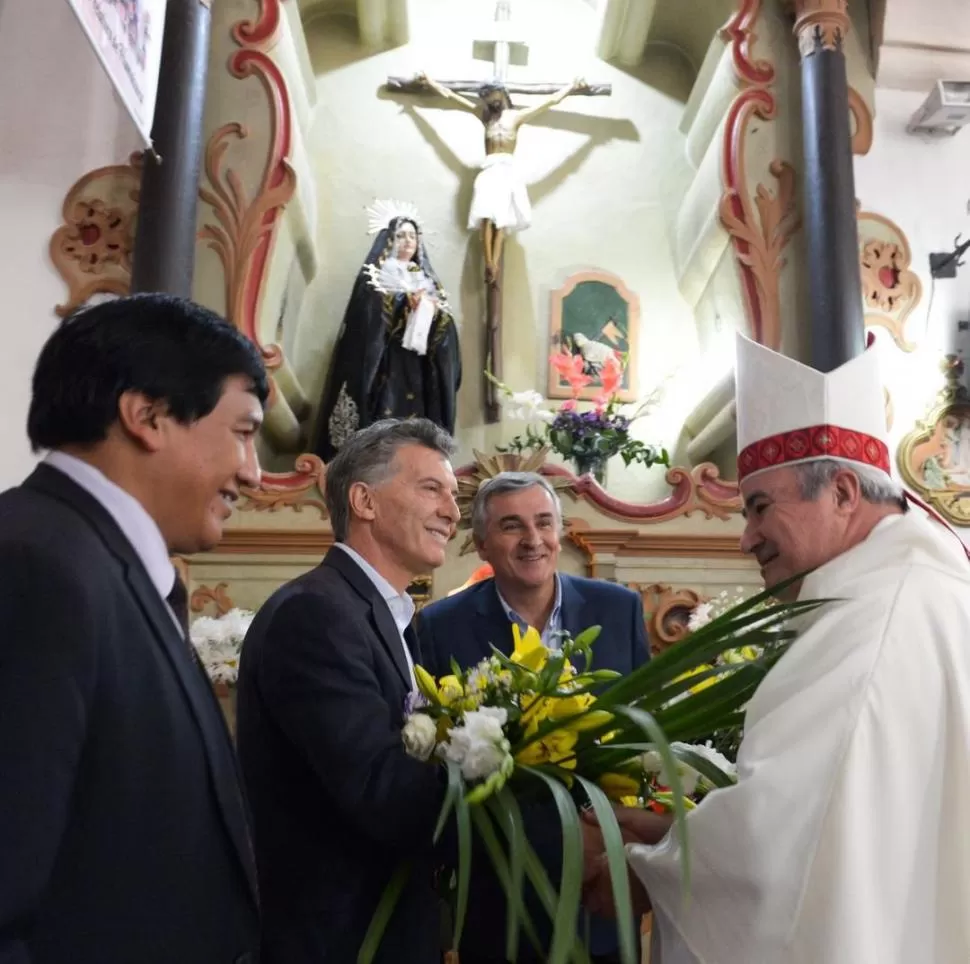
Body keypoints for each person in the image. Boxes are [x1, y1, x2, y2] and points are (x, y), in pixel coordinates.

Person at [584, 334, 970, 963]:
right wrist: (673, 841)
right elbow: (838, 824)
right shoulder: (917, 587)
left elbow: (778, 847)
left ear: (843, 493)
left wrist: (651, 872)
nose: (746, 538)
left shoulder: (877, 622)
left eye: (759, 507)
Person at [0, 294, 267, 964]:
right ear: (147, 415)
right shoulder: (33, 567)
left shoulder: (92, 560)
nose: (255, 473)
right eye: (242, 432)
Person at [236, 418, 461, 964]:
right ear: (364, 500)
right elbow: (381, 791)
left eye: (454, 496)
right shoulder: (317, 614)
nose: (453, 512)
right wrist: (532, 819)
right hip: (339, 939)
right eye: (431, 489)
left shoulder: (387, 616)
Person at [417, 471, 649, 964]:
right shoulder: (440, 627)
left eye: (544, 522)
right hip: (499, 891)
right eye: (511, 526)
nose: (532, 540)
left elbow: (645, 736)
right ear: (480, 544)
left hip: (602, 883)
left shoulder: (620, 610)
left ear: (560, 532)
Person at [313, 208, 461, 461]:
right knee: (386, 419)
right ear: (390, 239)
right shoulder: (380, 273)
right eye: (401, 235)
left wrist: (433, 313)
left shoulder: (423, 277)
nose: (408, 242)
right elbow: (366, 314)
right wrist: (403, 303)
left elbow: (445, 327)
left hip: (418, 365)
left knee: (417, 422)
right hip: (387, 363)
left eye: (413, 236)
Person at [414, 76, 590, 284]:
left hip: (507, 169)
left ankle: (493, 264)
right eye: (486, 98)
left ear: (502, 92)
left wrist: (571, 87)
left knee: (501, 220)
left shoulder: (517, 117)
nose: (489, 100)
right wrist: (430, 83)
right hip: (489, 168)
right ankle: (488, 261)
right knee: (485, 216)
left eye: (491, 95)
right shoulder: (484, 116)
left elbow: (550, 101)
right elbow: (452, 97)